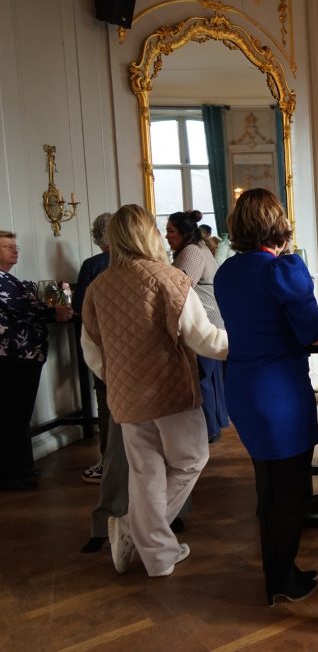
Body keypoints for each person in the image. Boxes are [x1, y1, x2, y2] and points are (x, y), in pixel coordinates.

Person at [80, 205, 227, 577]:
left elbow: (91, 349)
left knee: (145, 472)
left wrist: (116, 376)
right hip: (169, 390)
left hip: (125, 396)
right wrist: (249, 342)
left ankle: (158, 556)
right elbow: (204, 339)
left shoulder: (98, 287)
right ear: (148, 234)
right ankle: (135, 531)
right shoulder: (168, 278)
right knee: (191, 460)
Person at [214, 188, 318, 605]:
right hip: (279, 392)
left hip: (243, 387)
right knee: (288, 492)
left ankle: (279, 572)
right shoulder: (282, 269)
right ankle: (281, 578)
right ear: (277, 225)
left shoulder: (227, 273)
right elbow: (314, 332)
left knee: (268, 487)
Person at [0, 230, 74, 491]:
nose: (15, 250)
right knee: (13, 416)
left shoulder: (9, 278)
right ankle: (11, 474)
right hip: (14, 358)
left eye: (15, 246)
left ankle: (20, 468)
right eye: (7, 246)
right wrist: (54, 312)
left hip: (23, 357)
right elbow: (23, 307)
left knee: (18, 415)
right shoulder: (2, 281)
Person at [167, 210, 229, 444]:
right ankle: (213, 427)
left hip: (205, 324)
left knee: (201, 378)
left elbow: (180, 290)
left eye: (171, 231)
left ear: (183, 233)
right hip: (212, 322)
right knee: (208, 379)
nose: (167, 236)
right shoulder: (199, 248)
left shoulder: (191, 252)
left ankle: (209, 429)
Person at [72, 213, 113, 483]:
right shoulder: (144, 263)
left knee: (106, 402)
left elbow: (80, 306)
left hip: (104, 341)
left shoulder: (93, 265)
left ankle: (108, 461)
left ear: (98, 237)